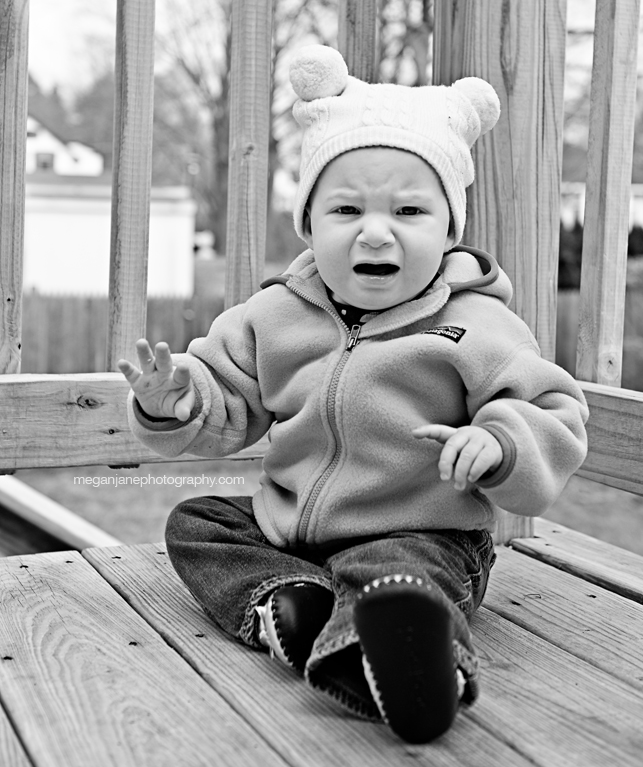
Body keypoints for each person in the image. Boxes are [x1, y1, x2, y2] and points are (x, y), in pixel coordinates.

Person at [118, 45, 589, 745]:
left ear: (446, 229)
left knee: (396, 574)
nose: (375, 230)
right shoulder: (272, 315)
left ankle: (412, 665)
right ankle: (293, 603)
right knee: (198, 520)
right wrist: (174, 403)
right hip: (294, 536)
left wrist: (496, 443)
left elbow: (554, 410)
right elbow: (228, 403)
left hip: (419, 532)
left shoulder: (477, 324)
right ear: (310, 226)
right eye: (345, 208)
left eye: (407, 209)